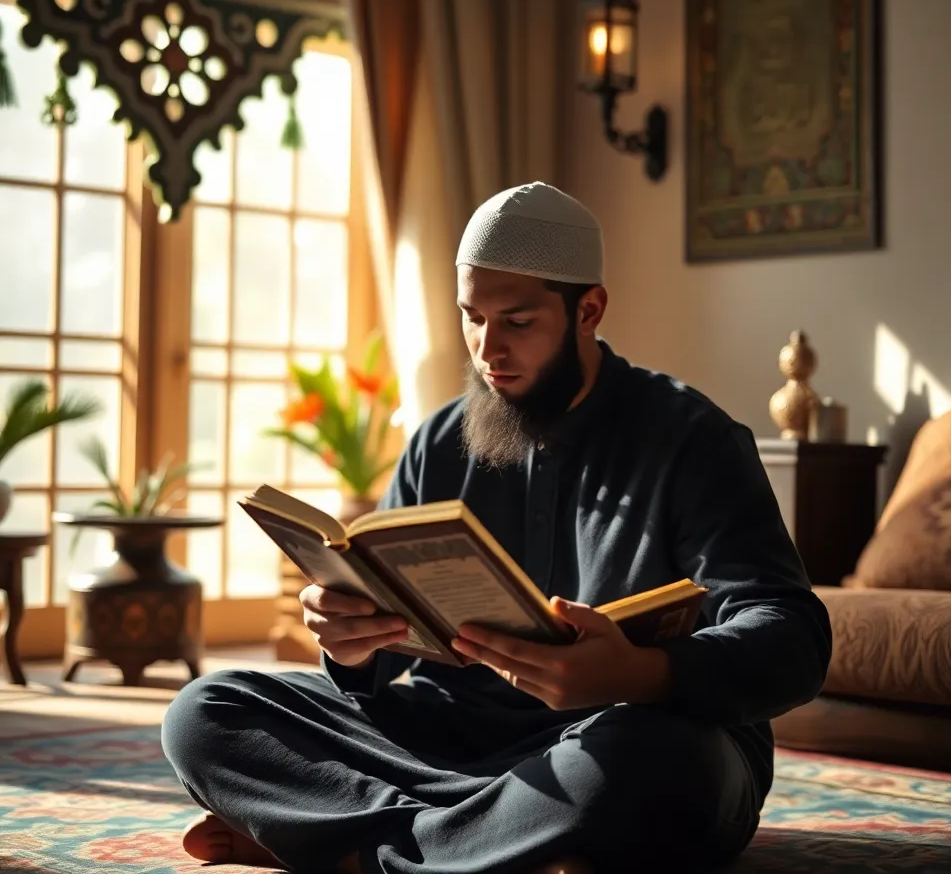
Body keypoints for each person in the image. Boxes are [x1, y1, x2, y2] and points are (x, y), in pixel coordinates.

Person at [162, 181, 832, 874]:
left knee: (657, 766)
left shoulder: (694, 440)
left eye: (516, 322)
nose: (488, 349)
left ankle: (351, 842)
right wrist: (351, 640)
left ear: (589, 310)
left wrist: (642, 671)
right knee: (206, 710)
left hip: (615, 732)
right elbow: (392, 637)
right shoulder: (439, 442)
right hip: (453, 734)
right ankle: (497, 843)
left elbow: (793, 635)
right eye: (471, 317)